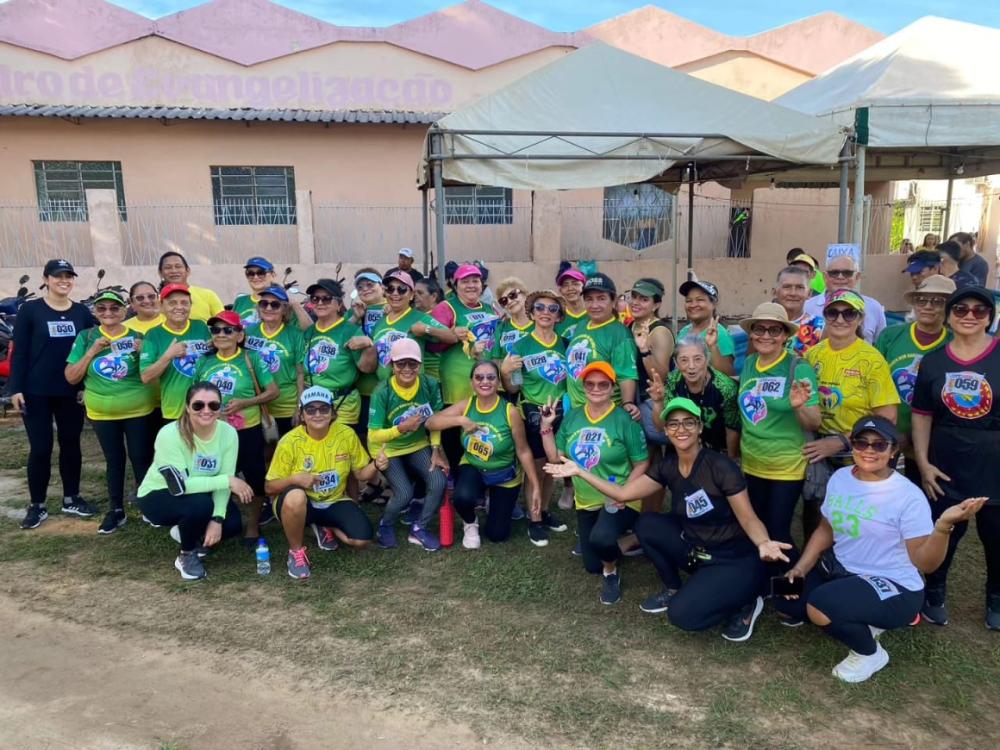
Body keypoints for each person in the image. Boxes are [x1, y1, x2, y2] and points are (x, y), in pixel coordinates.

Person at [547, 396, 792, 640]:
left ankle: (749, 600)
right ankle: (674, 587)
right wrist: (581, 471)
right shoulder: (668, 465)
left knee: (683, 616)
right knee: (646, 524)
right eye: (673, 424)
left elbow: (749, 518)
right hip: (696, 550)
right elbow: (623, 493)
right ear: (666, 430)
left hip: (731, 557)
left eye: (688, 422)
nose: (681, 429)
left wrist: (763, 542)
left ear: (699, 428)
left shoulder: (720, 467)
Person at [783, 416, 986, 682]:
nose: (869, 450)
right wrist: (800, 568)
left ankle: (869, 653)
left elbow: (926, 564)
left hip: (895, 586)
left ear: (894, 451)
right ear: (852, 445)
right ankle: (861, 614)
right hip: (841, 569)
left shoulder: (908, 496)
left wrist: (943, 526)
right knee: (783, 595)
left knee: (820, 606)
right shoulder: (841, 478)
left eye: (880, 445)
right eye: (861, 442)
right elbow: (826, 529)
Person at [912, 286, 1000, 629]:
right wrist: (923, 462)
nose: (969, 315)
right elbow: (921, 414)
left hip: (994, 463)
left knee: (996, 538)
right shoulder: (934, 361)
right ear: (949, 315)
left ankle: (996, 597)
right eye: (961, 309)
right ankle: (934, 592)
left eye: (979, 310)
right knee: (944, 532)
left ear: (990, 317)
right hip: (946, 463)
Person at [541, 362, 648, 605]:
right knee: (591, 565)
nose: (596, 388)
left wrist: (624, 493)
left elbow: (642, 463)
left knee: (601, 542)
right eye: (590, 384)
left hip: (618, 497)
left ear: (612, 388)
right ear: (584, 386)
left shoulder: (625, 419)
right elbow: (554, 457)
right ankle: (628, 539)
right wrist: (546, 427)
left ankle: (611, 572)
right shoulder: (574, 417)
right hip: (586, 500)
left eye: (603, 384)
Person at [737, 303, 820, 586]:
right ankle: (766, 580)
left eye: (774, 329)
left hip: (786, 466)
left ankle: (795, 584)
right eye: (760, 329)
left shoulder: (798, 368)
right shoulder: (749, 364)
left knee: (777, 530)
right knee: (757, 527)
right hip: (752, 462)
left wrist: (798, 407)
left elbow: (814, 422)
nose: (766, 335)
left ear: (785, 334)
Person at [804, 290, 899, 536]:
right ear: (824, 314)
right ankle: (814, 568)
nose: (840, 319)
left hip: (858, 452)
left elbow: (887, 418)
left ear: (860, 319)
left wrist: (841, 440)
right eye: (833, 312)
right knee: (816, 513)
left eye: (849, 313)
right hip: (818, 449)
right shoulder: (813, 354)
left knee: (854, 521)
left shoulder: (872, 360)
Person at [137, 382, 254, 580]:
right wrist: (228, 480)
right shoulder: (169, 434)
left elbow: (225, 480)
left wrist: (217, 520)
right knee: (200, 505)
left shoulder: (228, 433)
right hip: (159, 495)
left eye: (213, 405)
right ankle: (187, 555)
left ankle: (185, 531)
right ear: (187, 407)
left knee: (232, 523)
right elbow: (180, 486)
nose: (206, 410)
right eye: (198, 405)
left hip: (200, 492)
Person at [13, 259, 97, 529]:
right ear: (46, 279)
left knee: (71, 444)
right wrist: (15, 388)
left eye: (69, 276)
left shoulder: (82, 312)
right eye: (58, 276)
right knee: (40, 448)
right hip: (35, 391)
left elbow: (96, 343)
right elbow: (20, 351)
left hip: (70, 391)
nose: (64, 280)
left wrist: (86, 386)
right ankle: (37, 505)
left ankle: (71, 497)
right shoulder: (30, 310)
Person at [65, 289, 156, 535]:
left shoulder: (138, 336)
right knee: (114, 460)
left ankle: (147, 505)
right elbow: (72, 377)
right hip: (102, 412)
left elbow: (150, 374)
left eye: (114, 308)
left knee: (140, 457)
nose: (108, 313)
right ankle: (116, 510)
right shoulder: (87, 336)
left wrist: (142, 352)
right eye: (102, 308)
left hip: (138, 408)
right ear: (95, 311)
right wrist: (91, 351)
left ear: (125, 310)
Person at [425, 360, 541, 548]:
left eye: (490, 377)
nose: (484, 381)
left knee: (497, 535)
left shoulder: (510, 412)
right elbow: (431, 423)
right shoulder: (467, 405)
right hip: (473, 465)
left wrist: (535, 485)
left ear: (498, 382)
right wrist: (460, 420)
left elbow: (523, 450)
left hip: (504, 473)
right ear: (472, 382)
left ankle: (492, 500)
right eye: (479, 377)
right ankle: (470, 523)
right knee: (462, 497)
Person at [265, 386, 379, 577]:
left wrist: (378, 464)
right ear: (301, 415)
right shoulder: (289, 441)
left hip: (333, 500)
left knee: (361, 541)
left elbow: (360, 474)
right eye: (310, 410)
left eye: (323, 409)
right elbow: (269, 487)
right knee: (295, 496)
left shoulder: (346, 434)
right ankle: (296, 552)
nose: (317, 414)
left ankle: (324, 525)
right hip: (300, 503)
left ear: (332, 413)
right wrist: (295, 479)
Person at [195, 310, 279, 542]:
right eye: (215, 330)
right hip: (214, 433)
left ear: (240, 335)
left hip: (247, 430)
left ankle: (253, 524)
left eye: (227, 330)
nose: (221, 334)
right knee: (218, 476)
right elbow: (193, 396)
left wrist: (245, 402)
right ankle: (218, 519)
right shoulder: (204, 361)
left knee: (254, 477)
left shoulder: (251, 359)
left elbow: (273, 391)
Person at [500, 289, 570, 545]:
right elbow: (514, 388)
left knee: (552, 468)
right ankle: (535, 518)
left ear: (559, 316)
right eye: (540, 308)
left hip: (560, 412)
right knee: (537, 468)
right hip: (534, 412)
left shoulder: (565, 344)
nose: (545, 313)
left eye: (552, 309)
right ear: (531, 313)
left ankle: (545, 510)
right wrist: (506, 373)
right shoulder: (521, 346)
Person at [368, 339, 448, 551]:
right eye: (400, 363)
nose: (406, 369)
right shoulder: (382, 391)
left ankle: (419, 528)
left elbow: (436, 420)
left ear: (420, 365)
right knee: (403, 493)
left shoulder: (429, 384)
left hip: (417, 444)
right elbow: (374, 435)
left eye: (412, 364)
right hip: (388, 448)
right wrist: (400, 429)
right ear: (392, 365)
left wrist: (435, 449)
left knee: (438, 481)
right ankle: (385, 524)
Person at [875, 275, 955, 484]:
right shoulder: (890, 336)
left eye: (938, 301)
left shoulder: (954, 342)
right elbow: (874, 382)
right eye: (922, 300)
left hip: (931, 436)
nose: (927, 306)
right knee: (881, 488)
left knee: (924, 489)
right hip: (889, 430)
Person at [429, 263, 500, 467]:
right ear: (454, 283)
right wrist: (452, 336)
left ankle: (481, 478)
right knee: (456, 437)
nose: (471, 285)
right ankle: (458, 479)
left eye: (475, 281)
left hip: (487, 381)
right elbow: (432, 346)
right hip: (457, 383)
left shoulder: (490, 308)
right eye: (465, 281)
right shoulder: (446, 307)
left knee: (484, 433)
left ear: (482, 284)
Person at [302, 278, 375, 429]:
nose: (320, 303)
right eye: (315, 299)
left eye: (326, 299)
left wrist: (369, 345)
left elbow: (366, 368)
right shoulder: (309, 331)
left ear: (339, 304)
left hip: (343, 404)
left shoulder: (350, 331)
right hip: (313, 403)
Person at [650, 336, 739, 456]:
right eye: (684, 360)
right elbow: (661, 427)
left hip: (716, 453)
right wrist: (658, 402)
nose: (691, 366)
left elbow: (732, 429)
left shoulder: (726, 388)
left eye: (698, 359)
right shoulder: (672, 381)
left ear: (707, 360)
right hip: (681, 450)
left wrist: (731, 461)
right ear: (676, 362)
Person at [565, 273, 640, 416]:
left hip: (603, 413)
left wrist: (627, 404)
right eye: (589, 299)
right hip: (575, 413)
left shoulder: (620, 334)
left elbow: (626, 376)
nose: (594, 305)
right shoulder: (581, 325)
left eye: (601, 299)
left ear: (613, 301)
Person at [139, 285, 213, 425]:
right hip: (175, 409)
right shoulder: (153, 335)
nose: (179, 307)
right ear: (161, 306)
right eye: (172, 303)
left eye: (184, 302)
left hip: (207, 407)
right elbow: (146, 377)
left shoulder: (201, 327)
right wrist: (168, 356)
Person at [370, 270, 454, 382]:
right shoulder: (380, 322)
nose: (395, 293)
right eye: (390, 289)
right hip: (386, 390)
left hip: (413, 388)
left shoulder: (420, 318)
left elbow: (452, 337)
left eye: (402, 289)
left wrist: (426, 329)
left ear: (411, 295)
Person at [243, 285, 304, 436]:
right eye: (264, 303)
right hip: (258, 407)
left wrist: (299, 406)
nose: (268, 308)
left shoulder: (295, 334)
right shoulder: (248, 332)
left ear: (284, 309)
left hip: (287, 407)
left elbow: (300, 373)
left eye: (275, 304)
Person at [628, 278, 674, 451]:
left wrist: (645, 350)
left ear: (656, 305)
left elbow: (661, 376)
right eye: (634, 297)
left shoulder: (659, 331)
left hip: (652, 401)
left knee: (652, 450)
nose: (636, 303)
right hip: (635, 401)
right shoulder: (631, 326)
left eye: (644, 299)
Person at [803, 255, 887, 344]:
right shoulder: (808, 307)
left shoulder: (873, 307)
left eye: (847, 273)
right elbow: (803, 349)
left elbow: (883, 345)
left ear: (857, 276)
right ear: (825, 276)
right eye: (834, 273)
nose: (840, 277)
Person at [677, 279, 735, 376]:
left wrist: (713, 347)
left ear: (714, 304)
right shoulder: (684, 331)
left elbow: (728, 374)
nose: (693, 305)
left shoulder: (720, 334)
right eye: (689, 301)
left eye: (700, 300)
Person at [156, 251, 224, 322]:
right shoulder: (155, 301)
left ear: (188, 271)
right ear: (160, 273)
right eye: (168, 267)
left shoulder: (208, 295)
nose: (174, 270)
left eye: (178, 266)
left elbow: (224, 324)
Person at [773, 266, 824, 355]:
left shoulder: (819, 326)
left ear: (809, 293)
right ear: (775, 292)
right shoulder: (765, 322)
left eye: (800, 287)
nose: (793, 293)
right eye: (787, 287)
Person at [491, 277, 534, 358]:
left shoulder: (541, 323)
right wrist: (504, 369)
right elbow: (495, 360)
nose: (509, 301)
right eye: (504, 300)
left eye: (512, 295)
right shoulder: (501, 328)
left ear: (525, 295)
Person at [413, 276, 445, 379]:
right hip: (419, 375)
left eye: (420, 293)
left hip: (437, 377)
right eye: (414, 293)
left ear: (434, 296)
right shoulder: (415, 316)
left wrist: (426, 329)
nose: (415, 296)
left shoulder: (444, 316)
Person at [555, 265, 587, 339]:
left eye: (575, 284)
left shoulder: (594, 314)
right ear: (561, 291)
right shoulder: (556, 317)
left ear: (584, 286)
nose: (570, 288)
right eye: (565, 285)